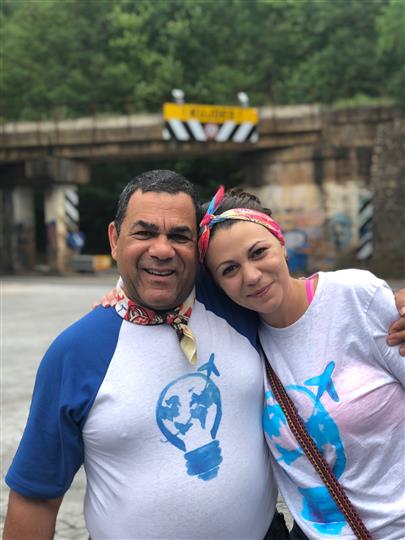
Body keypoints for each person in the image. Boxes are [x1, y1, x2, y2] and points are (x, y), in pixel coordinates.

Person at [4, 170, 289, 540]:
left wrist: (389, 304)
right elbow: (35, 497)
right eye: (144, 232)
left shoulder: (240, 304)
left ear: (198, 248)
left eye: (179, 236)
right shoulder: (75, 352)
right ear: (114, 239)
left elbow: (314, 305)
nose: (162, 249)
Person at [198, 186, 405, 539]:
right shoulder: (239, 343)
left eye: (258, 252)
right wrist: (120, 294)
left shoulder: (355, 297)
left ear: (280, 242)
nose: (251, 276)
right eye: (229, 269)